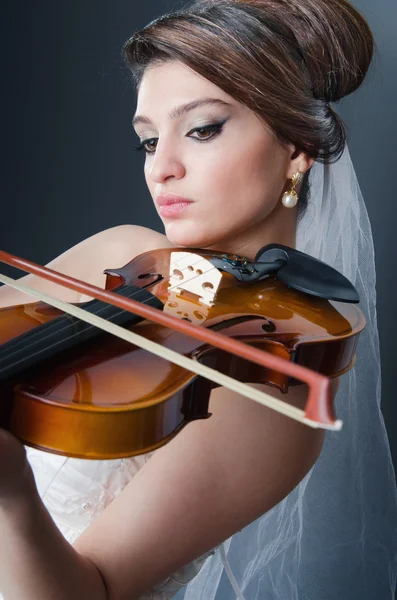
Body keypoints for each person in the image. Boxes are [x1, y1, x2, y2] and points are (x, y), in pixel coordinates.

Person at [0, 0, 396, 598]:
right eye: (149, 141)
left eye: (203, 129)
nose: (161, 168)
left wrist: (11, 498)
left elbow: (90, 590)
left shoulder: (270, 387)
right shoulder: (124, 255)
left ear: (295, 148)